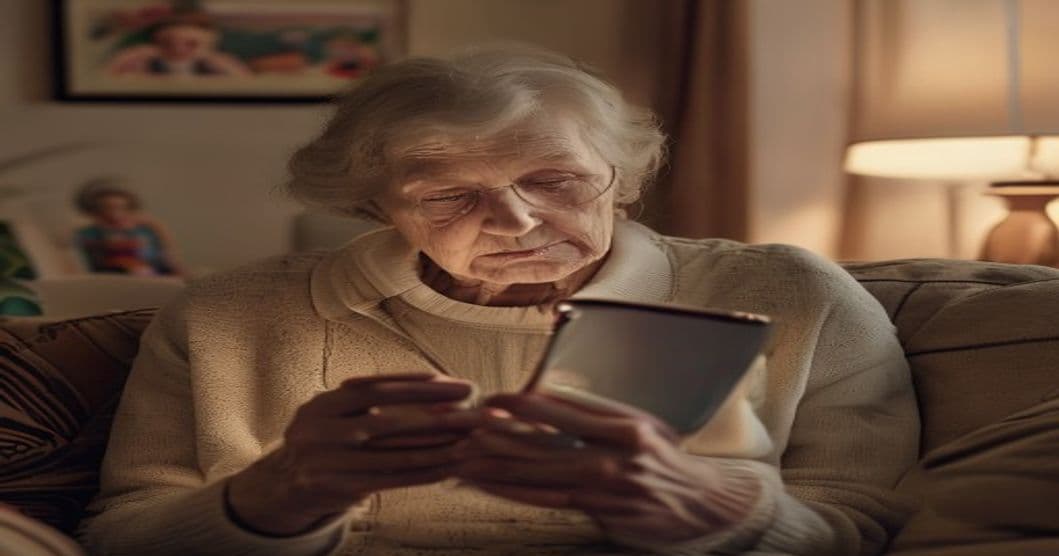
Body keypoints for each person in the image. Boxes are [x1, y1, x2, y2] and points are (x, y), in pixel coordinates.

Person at [78, 46, 919, 556]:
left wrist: (716, 512)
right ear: (377, 207)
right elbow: (123, 533)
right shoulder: (227, 316)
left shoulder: (791, 296)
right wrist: (274, 496)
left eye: (554, 180)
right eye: (446, 197)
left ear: (620, 181)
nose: (516, 220)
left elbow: (866, 525)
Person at [74, 180, 184, 276]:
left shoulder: (145, 230)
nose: (115, 214)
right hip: (115, 276)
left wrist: (159, 228)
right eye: (107, 208)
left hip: (154, 273)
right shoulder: (89, 232)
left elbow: (165, 257)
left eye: (121, 207)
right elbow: (91, 262)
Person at [106, 14, 251, 77]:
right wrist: (129, 58)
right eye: (167, 43)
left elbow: (246, 86)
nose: (178, 49)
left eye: (191, 44)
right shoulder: (145, 64)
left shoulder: (217, 66)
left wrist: (220, 62)